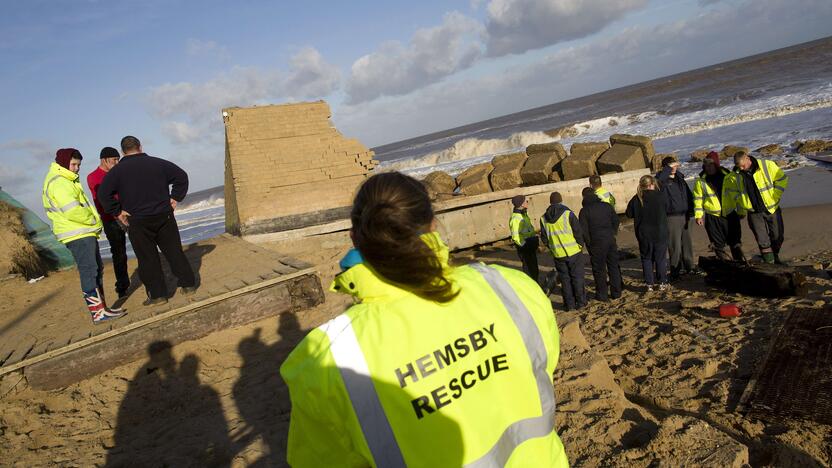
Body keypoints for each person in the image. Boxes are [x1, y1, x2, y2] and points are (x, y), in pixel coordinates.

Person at [280, 172, 569, 467]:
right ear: (433, 223)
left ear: (355, 238)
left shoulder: (326, 362)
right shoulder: (510, 288)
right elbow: (543, 363)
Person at [97, 136, 196, 306]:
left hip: (138, 220)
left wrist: (117, 211)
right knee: (173, 251)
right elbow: (182, 177)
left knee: (147, 258)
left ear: (122, 152)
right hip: (163, 215)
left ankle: (158, 296)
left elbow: (103, 195)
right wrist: (175, 198)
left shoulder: (117, 171)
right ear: (140, 147)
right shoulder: (158, 163)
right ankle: (188, 285)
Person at [42, 148, 125, 323]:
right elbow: (73, 211)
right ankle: (98, 313)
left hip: (82, 231)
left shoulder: (67, 180)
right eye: (73, 164)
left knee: (95, 269)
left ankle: (102, 309)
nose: (76, 168)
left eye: (78, 165)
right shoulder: (59, 182)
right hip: (77, 233)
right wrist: (94, 221)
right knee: (89, 270)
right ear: (64, 163)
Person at [722, 151, 788, 264]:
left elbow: (782, 179)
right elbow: (730, 194)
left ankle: (775, 256)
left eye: (743, 165)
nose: (742, 168)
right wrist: (738, 210)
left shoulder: (767, 165)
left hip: (771, 208)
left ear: (748, 158)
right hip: (753, 213)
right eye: (739, 166)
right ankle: (770, 262)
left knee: (778, 236)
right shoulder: (734, 176)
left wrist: (775, 196)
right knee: (762, 241)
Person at [87, 146, 130, 298]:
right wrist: (116, 214)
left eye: (118, 159)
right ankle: (122, 287)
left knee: (141, 246)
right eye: (114, 160)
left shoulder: (119, 171)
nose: (117, 162)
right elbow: (100, 201)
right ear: (104, 160)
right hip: (110, 219)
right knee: (119, 253)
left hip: (128, 214)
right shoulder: (93, 177)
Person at [693, 152, 745, 261]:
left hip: (730, 214)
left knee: (735, 242)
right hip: (713, 217)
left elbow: (738, 195)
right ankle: (725, 266)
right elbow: (698, 199)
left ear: (716, 165)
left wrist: (741, 211)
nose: (709, 168)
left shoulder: (728, 176)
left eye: (711, 165)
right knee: (717, 245)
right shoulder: (700, 181)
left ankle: (740, 263)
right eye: (706, 166)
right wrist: (698, 215)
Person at [540, 192, 586, 310]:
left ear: (550, 203)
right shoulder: (567, 214)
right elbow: (578, 231)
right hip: (574, 251)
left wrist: (553, 248)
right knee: (577, 278)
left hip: (558, 254)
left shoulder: (543, 218)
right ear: (561, 201)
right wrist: (580, 245)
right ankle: (581, 302)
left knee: (565, 280)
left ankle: (569, 305)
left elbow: (544, 238)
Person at [626, 175, 669, 291]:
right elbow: (668, 208)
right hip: (660, 232)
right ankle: (662, 282)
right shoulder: (660, 196)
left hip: (643, 234)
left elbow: (629, 213)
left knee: (646, 258)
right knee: (660, 258)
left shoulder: (637, 198)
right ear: (652, 184)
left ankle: (649, 284)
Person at [579, 187, 622, 302]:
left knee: (599, 270)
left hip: (596, 243)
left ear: (584, 197)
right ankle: (616, 292)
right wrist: (613, 232)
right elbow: (616, 220)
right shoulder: (606, 206)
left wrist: (589, 245)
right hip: (610, 239)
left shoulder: (584, 211)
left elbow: (584, 231)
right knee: (613, 266)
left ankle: (602, 295)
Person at [656, 156, 695, 280]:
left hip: (685, 215)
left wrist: (692, 211)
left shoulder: (680, 178)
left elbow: (689, 195)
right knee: (675, 246)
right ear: (665, 167)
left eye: (675, 166)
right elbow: (658, 181)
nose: (674, 168)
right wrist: (668, 169)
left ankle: (690, 267)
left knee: (687, 244)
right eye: (671, 166)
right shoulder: (661, 180)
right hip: (671, 217)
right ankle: (675, 271)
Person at [508, 194, 539, 282]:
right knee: (529, 271)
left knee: (534, 269)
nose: (527, 202)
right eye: (526, 201)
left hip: (530, 246)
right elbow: (515, 237)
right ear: (521, 204)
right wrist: (525, 245)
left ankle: (535, 286)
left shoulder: (523, 214)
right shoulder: (516, 218)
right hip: (525, 249)